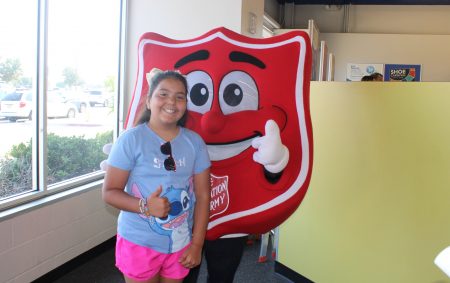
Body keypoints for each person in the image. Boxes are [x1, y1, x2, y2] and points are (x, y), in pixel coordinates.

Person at [102, 70, 211, 283]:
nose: (172, 101)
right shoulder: (130, 140)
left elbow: (203, 196)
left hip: (179, 242)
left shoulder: (195, 142)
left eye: (180, 96)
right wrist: (145, 206)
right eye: (163, 94)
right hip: (139, 241)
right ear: (149, 101)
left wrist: (197, 244)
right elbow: (109, 193)